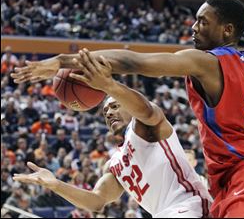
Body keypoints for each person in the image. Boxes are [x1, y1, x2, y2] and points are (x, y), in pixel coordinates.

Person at [11, 0, 244, 217]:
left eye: (202, 22)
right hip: (230, 183)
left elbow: (135, 63)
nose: (193, 27)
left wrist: (62, 61)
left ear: (226, 29)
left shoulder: (207, 62)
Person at [13, 53, 211, 218]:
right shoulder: (115, 163)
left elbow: (146, 111)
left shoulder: (145, 126)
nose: (108, 113)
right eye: (105, 111)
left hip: (191, 206)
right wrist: (56, 185)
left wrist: (108, 85)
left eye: (115, 106)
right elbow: (97, 201)